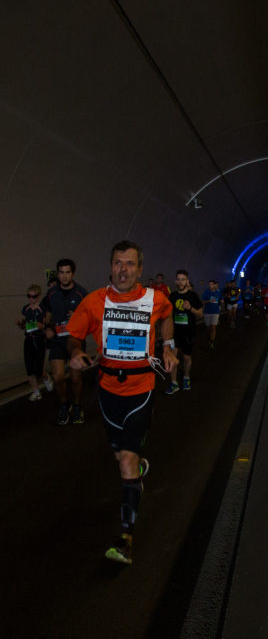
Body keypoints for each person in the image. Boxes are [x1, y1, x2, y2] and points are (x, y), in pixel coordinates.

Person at [66, 240, 178, 565]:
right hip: (106, 390)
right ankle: (136, 467)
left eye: (129, 264)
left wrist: (168, 346)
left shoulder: (155, 299)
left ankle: (126, 538)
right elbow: (74, 335)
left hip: (141, 389)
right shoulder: (93, 301)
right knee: (120, 457)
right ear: (110, 266)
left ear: (140, 269)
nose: (123, 269)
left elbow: (168, 314)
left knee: (127, 460)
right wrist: (74, 352)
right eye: (118, 263)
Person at [44, 259, 88, 425]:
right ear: (58, 274)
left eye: (67, 272)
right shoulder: (51, 293)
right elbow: (48, 311)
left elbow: (90, 317)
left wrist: (78, 316)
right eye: (61, 272)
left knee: (76, 378)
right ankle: (64, 404)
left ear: (73, 273)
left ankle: (77, 406)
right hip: (57, 341)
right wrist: (47, 327)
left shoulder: (82, 293)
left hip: (75, 341)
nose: (64, 276)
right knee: (58, 377)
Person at [165, 270, 203, 393]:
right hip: (175, 333)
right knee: (173, 357)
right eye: (179, 279)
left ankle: (186, 377)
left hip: (189, 332)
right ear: (176, 281)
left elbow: (200, 314)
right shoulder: (173, 296)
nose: (181, 282)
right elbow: (168, 315)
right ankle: (174, 383)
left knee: (186, 358)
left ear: (187, 281)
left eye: (183, 279)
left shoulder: (193, 296)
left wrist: (190, 308)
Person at [16, 284, 53, 401]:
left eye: (33, 296)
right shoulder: (26, 309)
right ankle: (36, 391)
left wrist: (41, 326)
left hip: (39, 340)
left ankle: (46, 377)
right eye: (29, 296)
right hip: (29, 339)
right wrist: (20, 324)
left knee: (37, 369)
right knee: (29, 368)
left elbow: (47, 326)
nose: (31, 299)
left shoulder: (43, 309)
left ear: (38, 297)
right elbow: (24, 326)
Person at [201, 280, 223, 349]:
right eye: (209, 284)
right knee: (209, 328)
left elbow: (221, 299)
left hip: (215, 312)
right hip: (207, 312)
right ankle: (209, 337)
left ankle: (212, 341)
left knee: (213, 327)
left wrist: (222, 301)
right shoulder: (206, 292)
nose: (210, 286)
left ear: (214, 285)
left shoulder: (218, 292)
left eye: (211, 284)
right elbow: (203, 302)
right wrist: (208, 301)